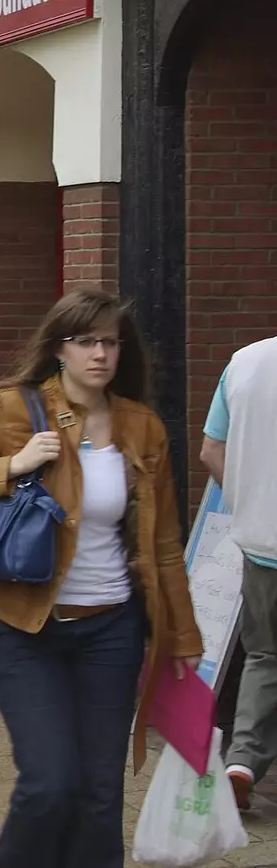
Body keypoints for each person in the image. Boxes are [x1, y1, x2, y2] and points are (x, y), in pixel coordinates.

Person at [0, 288, 201, 868]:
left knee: (99, 795)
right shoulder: (13, 409)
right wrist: (12, 466)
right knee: (50, 783)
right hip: (26, 627)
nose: (100, 354)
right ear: (59, 348)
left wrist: (183, 637)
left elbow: (165, 544)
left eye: (110, 342)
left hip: (112, 630)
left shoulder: (141, 427)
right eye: (86, 341)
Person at [200, 333, 277, 810]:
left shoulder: (244, 361)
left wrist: (245, 501)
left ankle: (242, 761)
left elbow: (211, 450)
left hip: (261, 541)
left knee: (266, 656)